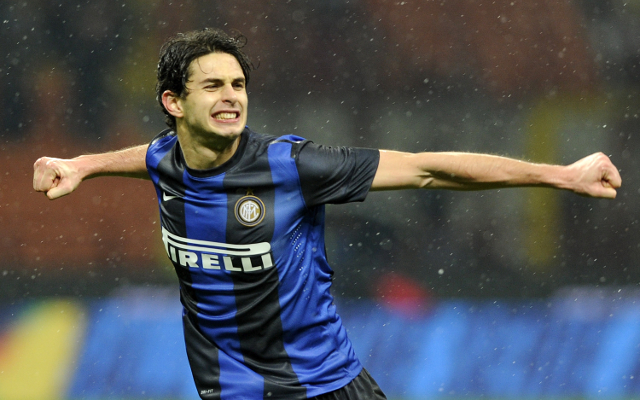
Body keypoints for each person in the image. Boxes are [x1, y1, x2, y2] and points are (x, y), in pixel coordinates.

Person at [32, 28, 621, 400]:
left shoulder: (292, 166)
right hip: (229, 390)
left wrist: (560, 175)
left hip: (324, 386)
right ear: (174, 103)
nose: (232, 96)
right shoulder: (165, 158)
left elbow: (426, 169)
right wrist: (82, 165)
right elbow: (149, 156)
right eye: (213, 86)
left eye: (238, 84)